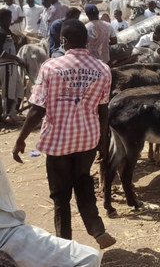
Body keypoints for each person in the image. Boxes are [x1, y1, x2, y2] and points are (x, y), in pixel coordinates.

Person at [12, 19, 116, 250]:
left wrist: (21, 139)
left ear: (63, 40)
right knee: (83, 182)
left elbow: (38, 109)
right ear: (88, 41)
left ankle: (64, 245)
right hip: (88, 139)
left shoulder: (51, 67)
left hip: (59, 142)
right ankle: (97, 229)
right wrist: (102, 142)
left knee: (60, 196)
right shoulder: (103, 69)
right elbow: (103, 109)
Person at [0, 158, 102, 266]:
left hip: (8, 230)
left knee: (60, 197)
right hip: (6, 231)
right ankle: (96, 228)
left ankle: (64, 235)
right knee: (81, 186)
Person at [0, 9, 25, 124]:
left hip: (12, 64)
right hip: (5, 65)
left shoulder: (7, 31)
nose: (11, 20)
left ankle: (13, 112)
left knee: (19, 89)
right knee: (8, 91)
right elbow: (1, 53)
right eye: (9, 18)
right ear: (3, 18)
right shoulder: (1, 32)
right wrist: (15, 58)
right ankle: (6, 115)